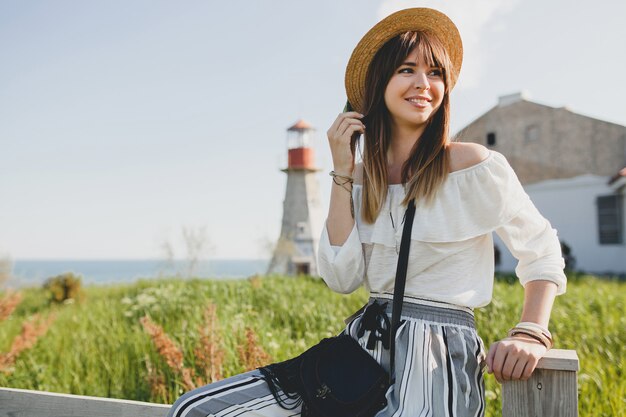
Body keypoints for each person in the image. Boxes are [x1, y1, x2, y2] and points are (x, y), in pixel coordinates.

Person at [168, 8, 566, 417]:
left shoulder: (473, 166)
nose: (423, 84)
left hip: (438, 353)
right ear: (380, 83)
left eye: (435, 73)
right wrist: (343, 171)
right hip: (364, 346)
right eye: (407, 70)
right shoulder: (359, 178)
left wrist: (531, 332)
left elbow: (541, 249)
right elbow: (341, 278)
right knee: (197, 409)